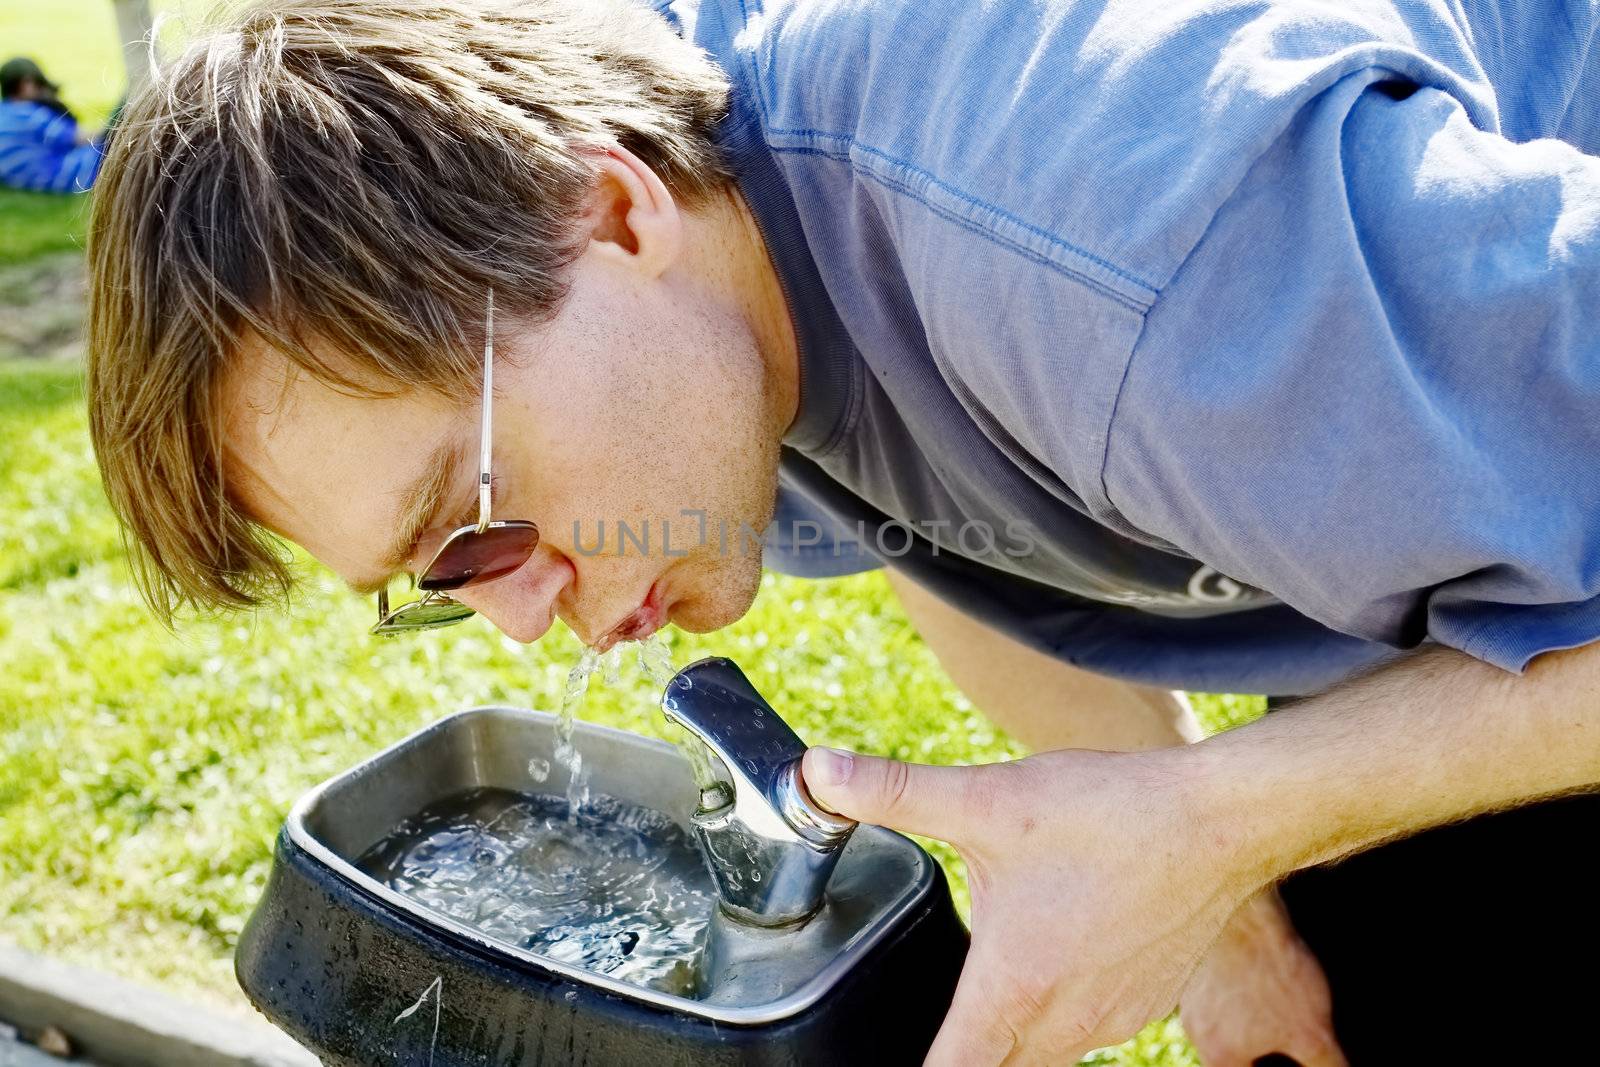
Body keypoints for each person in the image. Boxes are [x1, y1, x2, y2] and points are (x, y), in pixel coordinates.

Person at [83, 0, 1600, 1063]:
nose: (524, 615)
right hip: (1397, 517)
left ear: (607, 216)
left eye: (473, 519)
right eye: (435, 581)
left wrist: (1218, 823)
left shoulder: (1149, 272)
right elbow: (928, 528)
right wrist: (1220, 909)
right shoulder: (708, 322)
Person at [0, 57, 104, 194]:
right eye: (40, 85)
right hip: (64, 178)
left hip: (23, 180)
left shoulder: (4, 112)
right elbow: (80, 138)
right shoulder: (30, 115)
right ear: (26, 84)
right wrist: (111, 130)